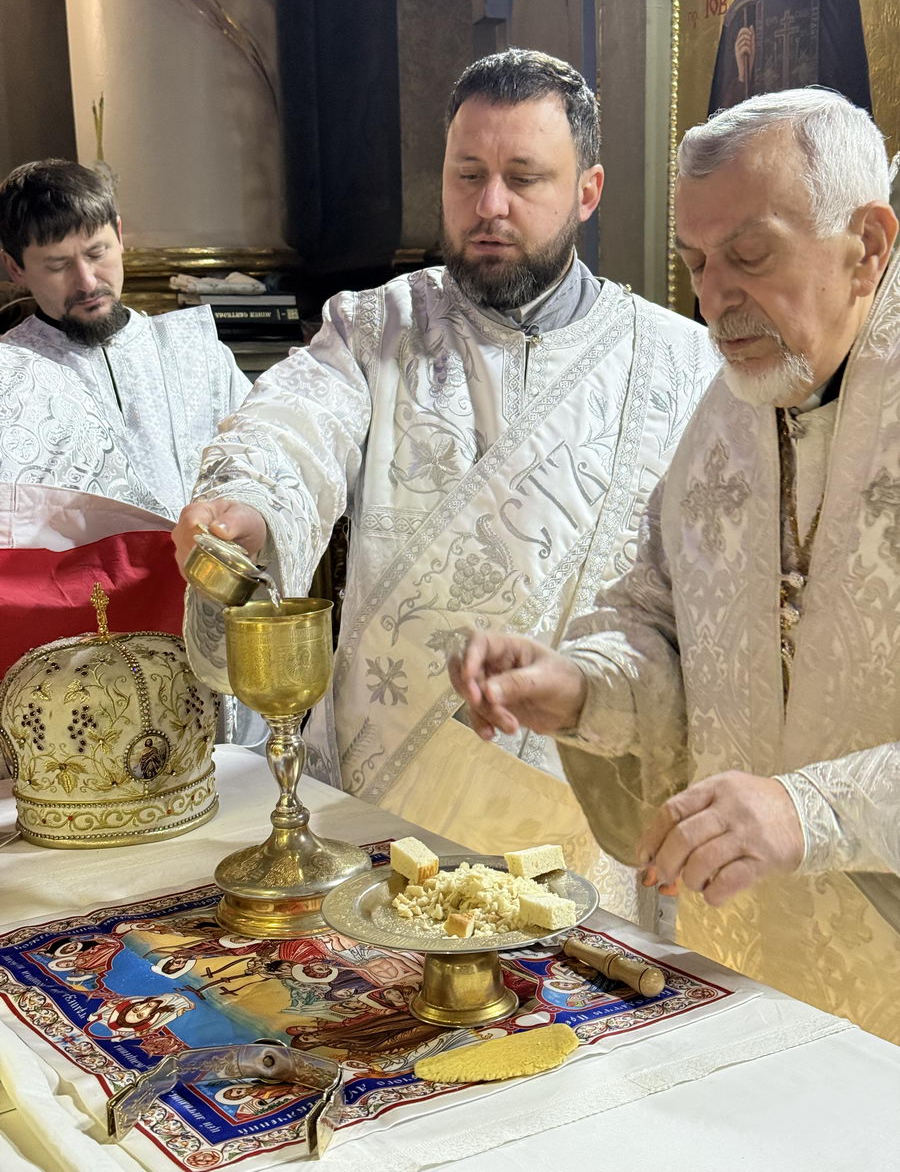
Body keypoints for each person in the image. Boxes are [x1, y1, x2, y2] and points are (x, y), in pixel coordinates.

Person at [173, 49, 719, 923]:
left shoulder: (680, 363)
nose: (489, 205)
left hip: (583, 813)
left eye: (523, 178)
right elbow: (294, 423)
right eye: (468, 175)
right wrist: (252, 502)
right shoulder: (376, 327)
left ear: (588, 191)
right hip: (384, 804)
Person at [449, 88, 900, 1041]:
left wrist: (812, 813)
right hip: (743, 961)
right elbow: (658, 618)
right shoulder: (730, 413)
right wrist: (581, 685)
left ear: (867, 244)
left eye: (749, 255)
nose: (714, 301)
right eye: (696, 262)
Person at [0, 159, 251, 521]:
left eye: (96, 253)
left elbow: (259, 464)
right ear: (15, 268)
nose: (87, 282)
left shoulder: (198, 351)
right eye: (57, 265)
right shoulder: (10, 375)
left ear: (118, 235)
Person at [708, 0, 872, 116]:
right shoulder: (743, 9)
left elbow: (851, 86)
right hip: (764, 137)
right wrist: (742, 77)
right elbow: (723, 121)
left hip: (820, 134)